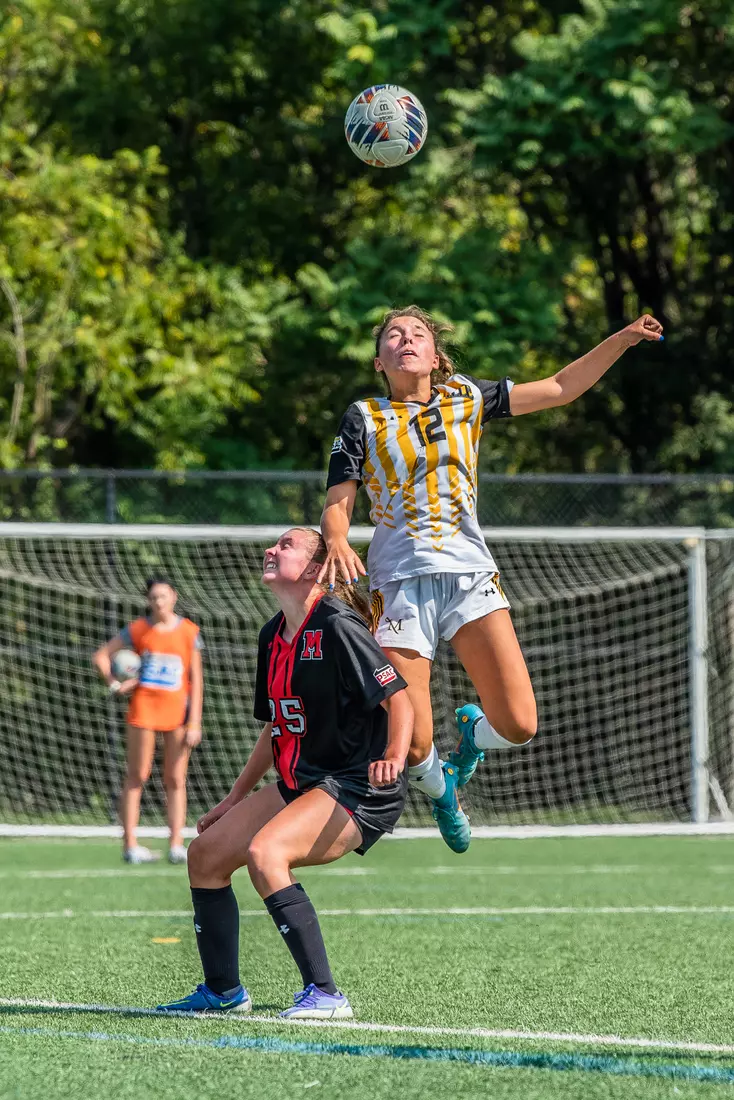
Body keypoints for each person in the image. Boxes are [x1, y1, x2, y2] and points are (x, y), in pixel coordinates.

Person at [320, 305, 664, 852]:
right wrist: (336, 537)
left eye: (417, 334)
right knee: (409, 744)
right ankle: (444, 790)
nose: (406, 340)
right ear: (379, 360)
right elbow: (338, 502)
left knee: (520, 724)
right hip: (399, 582)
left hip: (471, 576)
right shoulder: (364, 416)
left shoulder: (467, 397)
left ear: (436, 355)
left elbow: (557, 387)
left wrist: (621, 340)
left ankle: (470, 742)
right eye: (393, 335)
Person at [156, 527, 413, 1020]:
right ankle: (223, 991)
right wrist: (234, 800)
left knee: (266, 852)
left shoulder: (337, 625)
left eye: (287, 545)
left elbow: (398, 698)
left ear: (317, 568)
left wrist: (396, 755)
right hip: (304, 780)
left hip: (359, 785)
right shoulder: (272, 635)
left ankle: (326, 995)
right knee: (205, 856)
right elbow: (278, 725)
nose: (272, 549)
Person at [92, 575, 203, 865]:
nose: (158, 602)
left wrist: (195, 722)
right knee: (136, 776)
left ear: (174, 597)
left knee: (176, 778)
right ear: (148, 600)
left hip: (178, 713)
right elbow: (101, 656)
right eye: (153, 597)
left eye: (163, 596)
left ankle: (176, 844)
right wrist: (116, 683)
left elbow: (197, 680)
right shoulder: (139, 629)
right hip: (143, 711)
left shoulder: (189, 631)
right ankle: (130, 845)